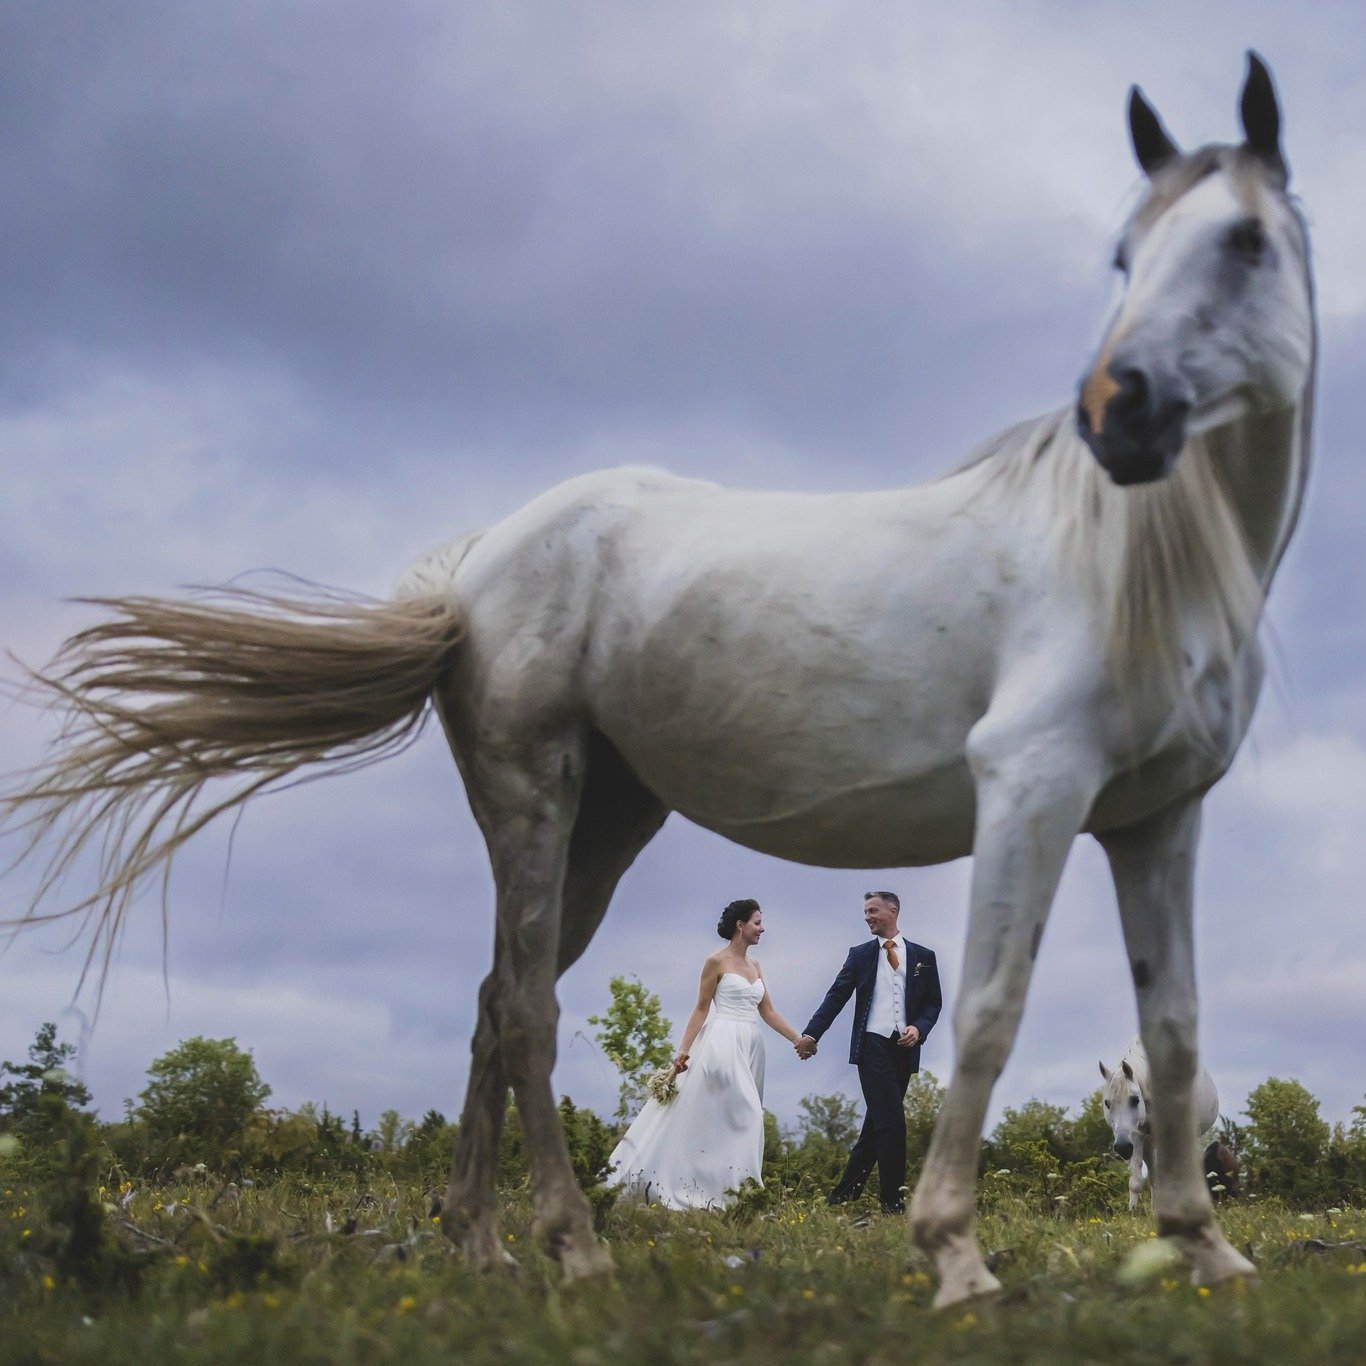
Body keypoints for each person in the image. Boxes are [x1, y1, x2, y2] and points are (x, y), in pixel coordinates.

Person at [604, 898, 804, 1210]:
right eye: (757, 922)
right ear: (740, 925)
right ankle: (745, 1193)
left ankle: (722, 1191)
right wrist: (682, 1052)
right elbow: (701, 1008)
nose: (762, 929)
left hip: (751, 1045)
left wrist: (798, 1039)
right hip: (722, 1041)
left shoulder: (757, 967)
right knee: (747, 1114)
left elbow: (769, 1012)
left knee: (722, 1121)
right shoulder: (715, 961)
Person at [796, 890, 942, 1213]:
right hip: (872, 1045)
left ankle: (842, 1197)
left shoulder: (923, 956)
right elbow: (836, 996)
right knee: (892, 1122)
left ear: (893, 911)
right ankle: (893, 1204)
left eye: (873, 911)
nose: (867, 917)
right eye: (865, 912)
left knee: (876, 1125)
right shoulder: (860, 955)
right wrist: (811, 1033)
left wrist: (919, 1028)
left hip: (904, 1050)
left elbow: (934, 1003)